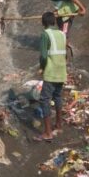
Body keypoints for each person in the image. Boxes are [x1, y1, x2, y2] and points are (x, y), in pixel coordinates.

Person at [36, 11, 66, 141]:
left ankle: (48, 132)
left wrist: (42, 67)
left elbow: (43, 56)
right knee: (58, 96)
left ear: (43, 23)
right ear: (54, 21)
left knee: (44, 99)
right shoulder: (62, 34)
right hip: (61, 70)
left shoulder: (45, 34)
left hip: (51, 71)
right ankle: (59, 125)